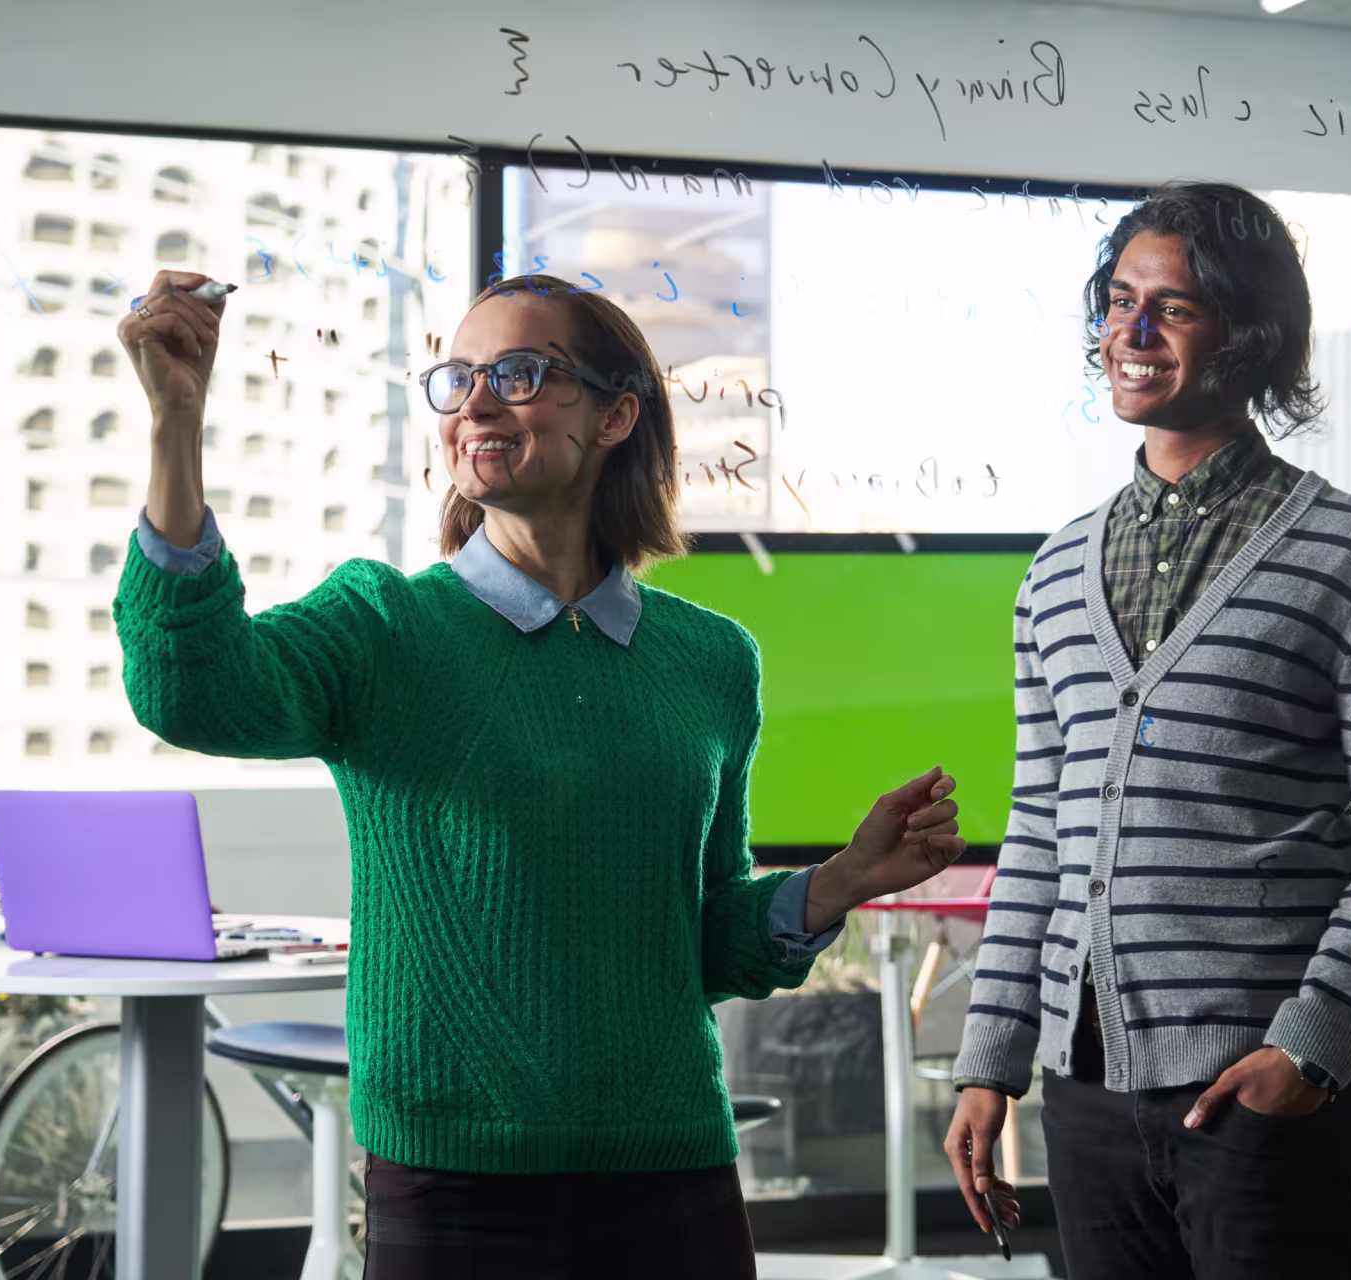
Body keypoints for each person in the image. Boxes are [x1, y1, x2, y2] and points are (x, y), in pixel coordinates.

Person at [113, 270, 970, 1279]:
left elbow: (699, 937)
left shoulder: (711, 660)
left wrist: (837, 882)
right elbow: (191, 690)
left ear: (616, 414)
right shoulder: (385, 628)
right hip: (456, 1181)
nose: (475, 399)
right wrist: (177, 423)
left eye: (518, 373)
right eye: (457, 377)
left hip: (671, 1165)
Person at [941, 181, 1351, 1280]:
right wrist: (990, 1055)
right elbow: (1039, 824)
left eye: (1171, 309)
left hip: (1262, 1092)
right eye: (1119, 302)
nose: (1129, 334)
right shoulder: (1052, 573)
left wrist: (1307, 1046)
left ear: (1250, 334)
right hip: (1087, 1089)